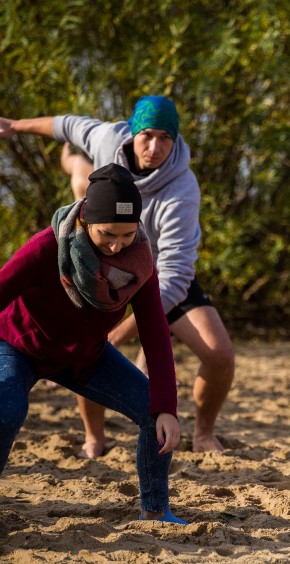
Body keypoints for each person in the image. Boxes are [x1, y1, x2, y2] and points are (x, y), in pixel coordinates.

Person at [0, 96, 235, 455]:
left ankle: (202, 433)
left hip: (159, 273)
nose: (154, 147)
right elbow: (64, 123)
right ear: (132, 132)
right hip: (98, 257)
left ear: (176, 140)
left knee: (220, 354)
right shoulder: (108, 137)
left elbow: (174, 272)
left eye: (165, 139)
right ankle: (94, 437)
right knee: (94, 342)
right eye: (147, 136)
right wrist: (15, 126)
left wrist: (127, 328)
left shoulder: (182, 189)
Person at [0, 164, 187, 524]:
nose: (118, 246)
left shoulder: (140, 264)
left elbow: (156, 334)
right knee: (6, 409)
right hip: (20, 346)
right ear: (86, 220)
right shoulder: (47, 246)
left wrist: (167, 407)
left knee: (155, 414)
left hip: (84, 356)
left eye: (128, 235)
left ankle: (155, 509)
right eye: (107, 234)